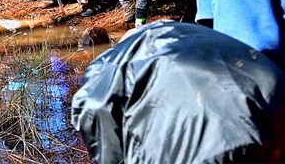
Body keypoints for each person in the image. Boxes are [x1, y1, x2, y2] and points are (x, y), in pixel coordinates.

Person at [72, 20, 285, 163]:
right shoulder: (178, 32)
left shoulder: (104, 70)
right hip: (275, 91)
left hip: (225, 137)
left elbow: (103, 136)